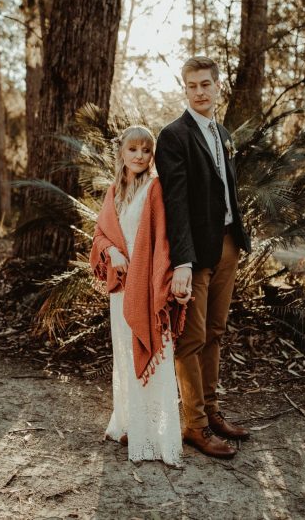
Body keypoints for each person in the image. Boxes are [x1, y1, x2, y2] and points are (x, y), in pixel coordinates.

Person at [154, 56, 252, 459]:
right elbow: (174, 203)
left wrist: (240, 237)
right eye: (192, 85)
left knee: (215, 331)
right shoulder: (173, 136)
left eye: (206, 84)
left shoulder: (221, 132)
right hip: (193, 255)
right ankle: (193, 425)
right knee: (190, 340)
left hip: (227, 244)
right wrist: (182, 261)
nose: (200, 91)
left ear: (217, 86)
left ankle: (211, 411)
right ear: (185, 89)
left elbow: (225, 189)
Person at [89, 125, 190, 466]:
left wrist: (162, 282)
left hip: (147, 284)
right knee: (124, 356)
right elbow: (100, 234)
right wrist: (111, 252)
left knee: (155, 358)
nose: (139, 156)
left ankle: (156, 437)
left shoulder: (154, 188)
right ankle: (131, 423)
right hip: (121, 289)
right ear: (121, 153)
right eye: (133, 150)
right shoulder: (113, 192)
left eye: (146, 151)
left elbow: (163, 239)